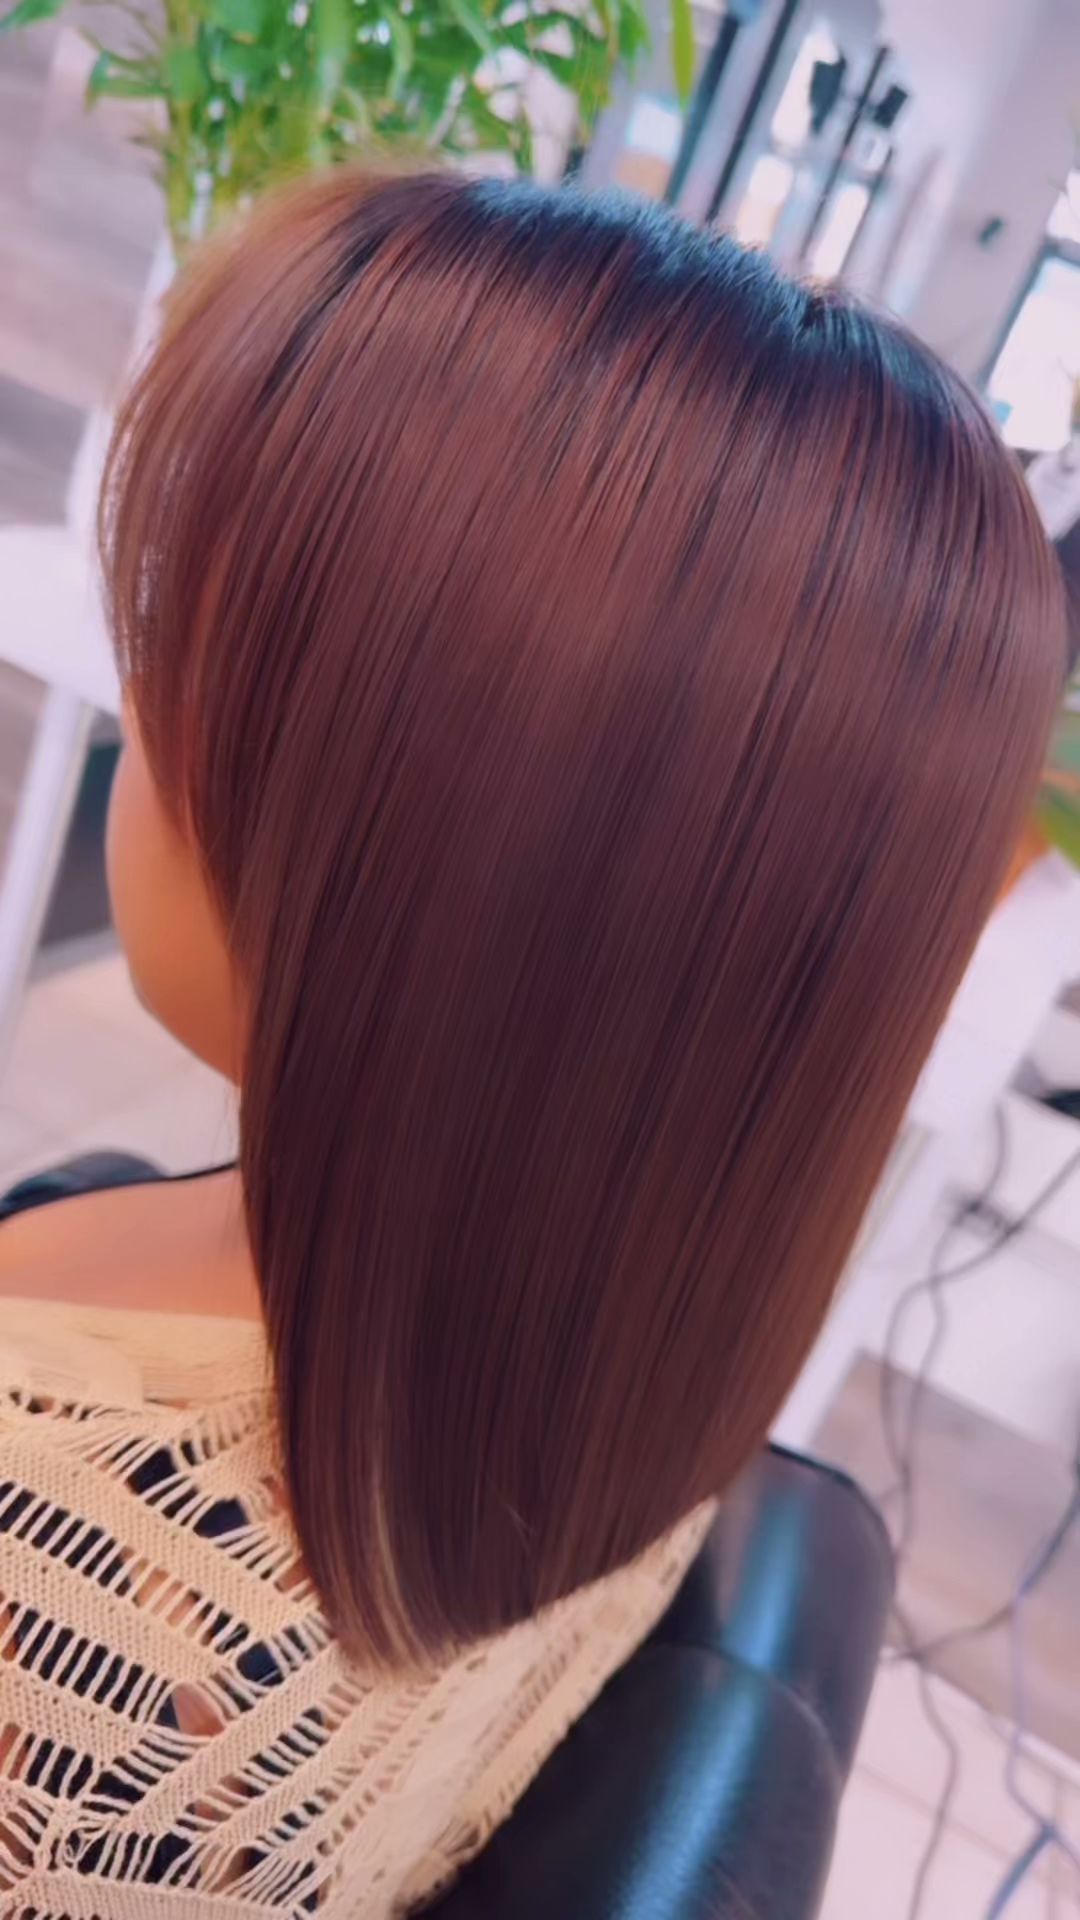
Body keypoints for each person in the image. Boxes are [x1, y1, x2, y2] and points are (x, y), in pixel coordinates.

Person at [0, 169, 1064, 1915]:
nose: (141, 709)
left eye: (175, 650)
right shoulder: (638, 1345)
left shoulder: (59, 1580)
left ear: (404, 842)